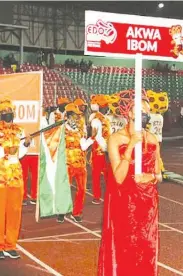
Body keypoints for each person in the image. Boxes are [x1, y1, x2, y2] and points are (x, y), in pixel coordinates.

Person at [98, 89, 162, 276]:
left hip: (147, 205)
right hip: (124, 203)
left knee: (146, 247)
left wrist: (150, 177)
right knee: (124, 247)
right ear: (130, 112)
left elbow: (159, 175)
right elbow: (118, 177)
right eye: (141, 108)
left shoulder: (152, 139)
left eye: (147, 109)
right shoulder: (116, 139)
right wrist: (131, 146)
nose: (145, 112)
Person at [0, 98, 31, 260]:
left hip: (16, 175)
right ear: (0, 114)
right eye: (4, 112)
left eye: (9, 112)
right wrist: (4, 151)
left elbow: (20, 155)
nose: (7, 115)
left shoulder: (20, 130)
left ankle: (11, 245)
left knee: (15, 212)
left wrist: (25, 145)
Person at [64, 103, 94, 222]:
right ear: (69, 115)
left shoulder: (80, 129)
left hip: (80, 164)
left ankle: (77, 212)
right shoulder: (61, 130)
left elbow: (83, 146)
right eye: (75, 115)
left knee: (81, 189)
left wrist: (91, 139)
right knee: (65, 189)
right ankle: (63, 210)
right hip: (67, 164)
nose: (77, 117)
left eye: (78, 115)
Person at [88, 94, 111, 204]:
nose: (107, 108)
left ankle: (109, 194)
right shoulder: (96, 120)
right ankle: (96, 196)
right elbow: (97, 136)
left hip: (105, 149)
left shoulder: (104, 118)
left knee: (107, 173)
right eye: (105, 106)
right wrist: (106, 148)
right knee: (97, 174)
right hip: (99, 150)